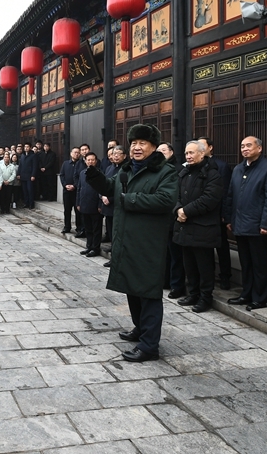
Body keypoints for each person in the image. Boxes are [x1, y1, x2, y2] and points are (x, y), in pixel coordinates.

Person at [85, 124, 177, 363]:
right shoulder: (126, 169)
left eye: (142, 143)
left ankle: (149, 346)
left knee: (148, 293)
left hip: (148, 243)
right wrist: (94, 175)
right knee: (132, 289)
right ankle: (140, 328)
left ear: (153, 146)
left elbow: (166, 200)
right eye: (134, 143)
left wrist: (130, 199)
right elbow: (111, 188)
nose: (136, 147)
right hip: (125, 239)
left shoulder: (165, 171)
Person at [223, 136, 267, 311]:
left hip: (258, 227)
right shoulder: (238, 169)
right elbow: (230, 196)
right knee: (246, 263)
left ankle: (260, 298)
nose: (245, 149)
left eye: (249, 145)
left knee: (260, 264)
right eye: (242, 146)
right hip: (240, 224)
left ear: (259, 148)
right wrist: (229, 219)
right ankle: (246, 294)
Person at [172, 141, 223, 313]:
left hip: (203, 228)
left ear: (202, 154)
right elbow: (176, 195)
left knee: (204, 266)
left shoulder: (213, 174)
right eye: (186, 153)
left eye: (192, 153)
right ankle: (193, 293)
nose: (188, 156)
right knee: (189, 264)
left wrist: (186, 211)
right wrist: (178, 209)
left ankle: (205, 297)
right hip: (185, 226)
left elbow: (209, 199)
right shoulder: (184, 172)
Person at [196, 136, 233, 289]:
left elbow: (225, 192)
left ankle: (225, 276)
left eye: (202, 146)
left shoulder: (221, 166)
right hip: (201, 213)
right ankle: (208, 276)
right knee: (205, 248)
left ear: (210, 147)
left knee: (222, 246)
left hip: (217, 214)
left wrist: (225, 214)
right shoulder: (196, 165)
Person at [157, 142, 185, 299]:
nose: (161, 153)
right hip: (160, 218)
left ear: (171, 152)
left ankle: (177, 285)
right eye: (158, 151)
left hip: (174, 216)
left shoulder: (178, 169)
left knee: (176, 255)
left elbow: (177, 194)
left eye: (164, 150)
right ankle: (165, 280)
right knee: (164, 253)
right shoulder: (158, 168)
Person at [76, 152, 103, 257]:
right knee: (88, 228)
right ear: (85, 161)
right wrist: (78, 203)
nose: (90, 162)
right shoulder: (82, 173)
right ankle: (89, 246)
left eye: (92, 160)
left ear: (96, 161)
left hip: (95, 205)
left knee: (96, 229)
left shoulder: (100, 173)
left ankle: (95, 248)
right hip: (84, 204)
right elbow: (79, 188)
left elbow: (102, 190)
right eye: (88, 160)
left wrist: (100, 205)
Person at [60, 147, 85, 236]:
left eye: (78, 153)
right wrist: (65, 185)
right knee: (67, 210)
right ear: (71, 153)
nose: (76, 154)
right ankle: (67, 226)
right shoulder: (66, 163)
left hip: (76, 191)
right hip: (66, 190)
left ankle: (79, 227)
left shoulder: (81, 164)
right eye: (75, 152)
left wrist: (74, 186)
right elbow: (62, 175)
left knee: (77, 210)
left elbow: (79, 177)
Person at [18, 143, 39, 209]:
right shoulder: (22, 155)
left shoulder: (33, 155)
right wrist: (19, 174)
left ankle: (31, 204)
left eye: (27, 147)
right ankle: (26, 203)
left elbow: (35, 166)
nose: (26, 148)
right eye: (25, 147)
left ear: (30, 148)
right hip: (23, 175)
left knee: (30, 190)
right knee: (25, 191)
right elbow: (20, 166)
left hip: (30, 176)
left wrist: (33, 175)